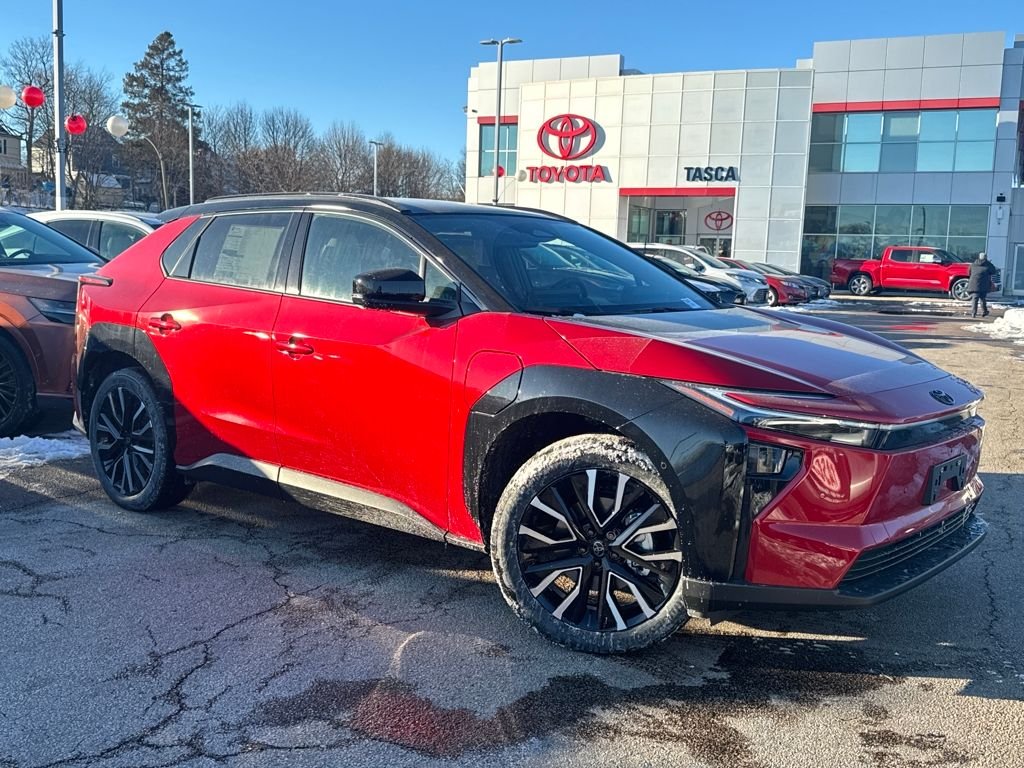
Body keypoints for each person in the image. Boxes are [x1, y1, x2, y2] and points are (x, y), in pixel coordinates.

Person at [967, 252, 997, 318]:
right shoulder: (988, 265)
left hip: (973, 283)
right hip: (983, 284)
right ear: (986, 257)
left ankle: (973, 313)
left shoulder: (973, 264)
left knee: (974, 299)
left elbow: (969, 273)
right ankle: (984, 312)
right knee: (982, 298)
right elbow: (994, 271)